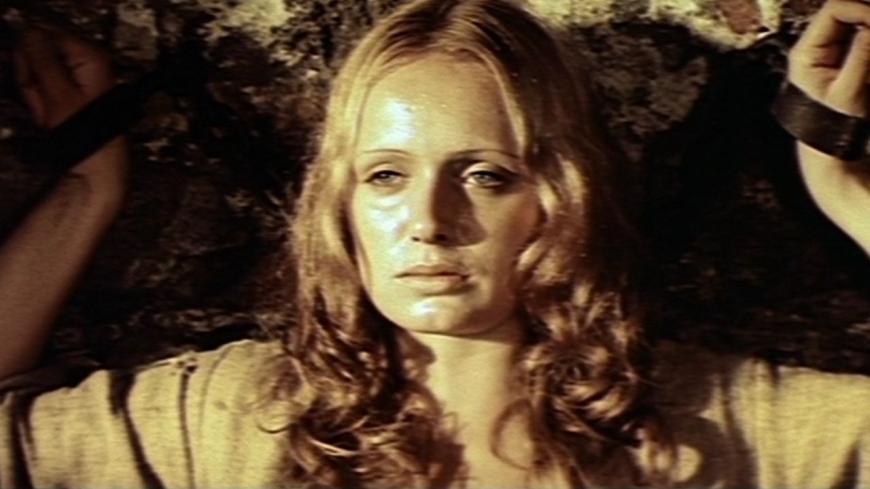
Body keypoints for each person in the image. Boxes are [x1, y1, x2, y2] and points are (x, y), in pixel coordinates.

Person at [1, 0, 869, 487]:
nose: (428, 218)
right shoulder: (241, 413)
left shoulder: (709, 418)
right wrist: (88, 189)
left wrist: (844, 192)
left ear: (561, 195)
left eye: (486, 174)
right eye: (385, 175)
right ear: (340, 203)